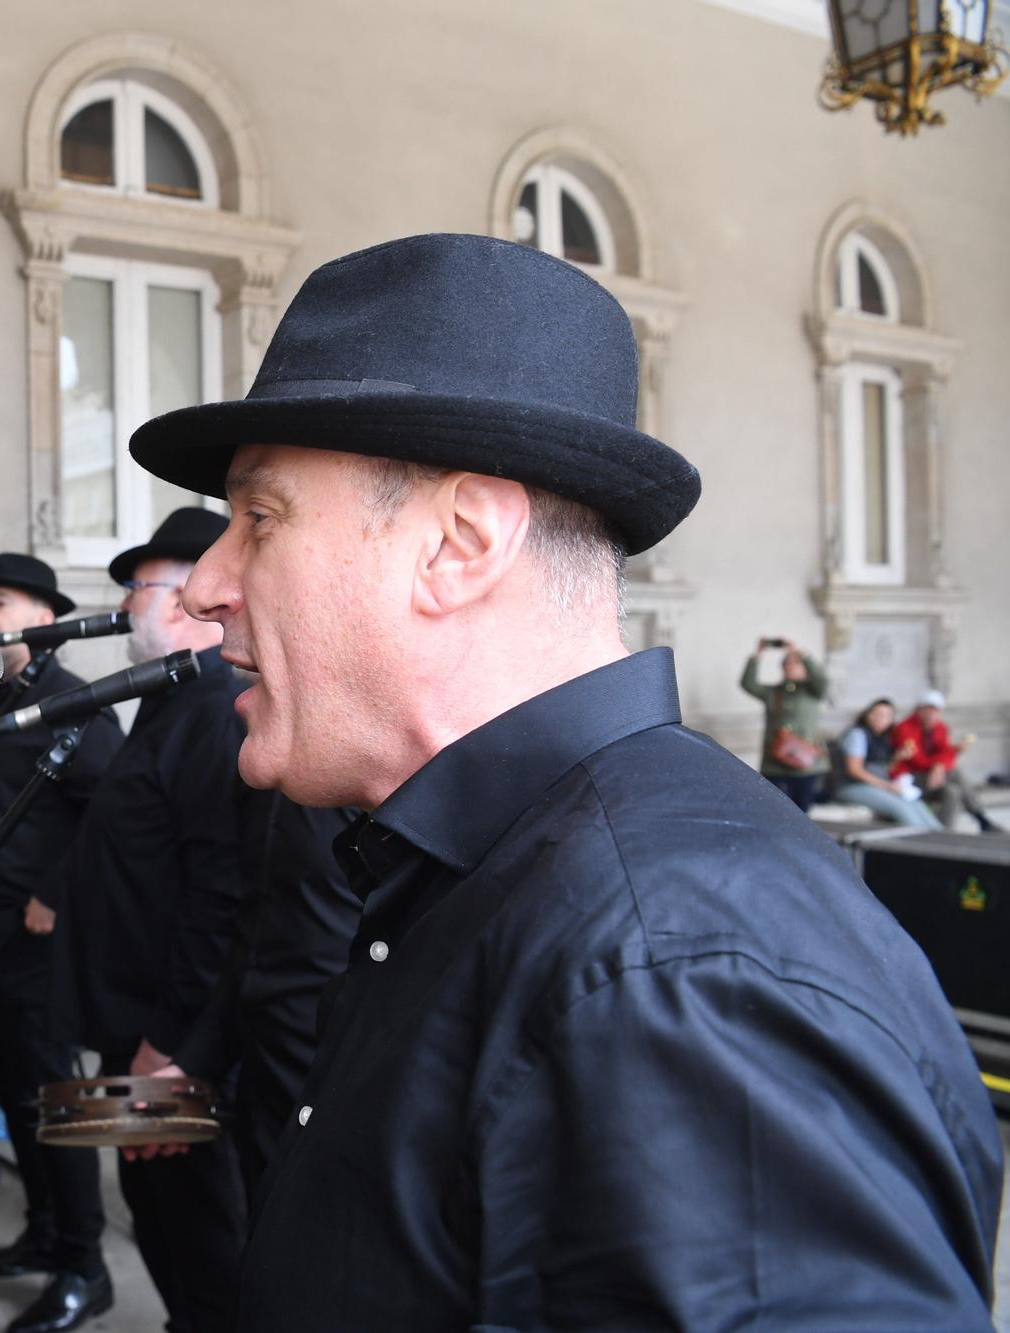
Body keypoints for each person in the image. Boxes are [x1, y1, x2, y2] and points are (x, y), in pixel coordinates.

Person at [127, 233, 1000, 1327]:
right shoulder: (484, 879)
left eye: (257, 519)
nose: (206, 584)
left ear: (455, 543)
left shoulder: (674, 973)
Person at [55, 508, 246, 1333]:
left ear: (187, 600)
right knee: (148, 1192)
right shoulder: (166, 703)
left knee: (192, 1216)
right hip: (132, 1022)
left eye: (138, 586)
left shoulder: (215, 710)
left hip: (166, 1041)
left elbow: (221, 897)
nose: (127, 603)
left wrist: (168, 1047)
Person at [0, 552, 122, 1333]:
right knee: (15, 1093)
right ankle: (46, 1230)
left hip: (38, 940)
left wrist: (53, 893)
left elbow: (112, 813)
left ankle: (85, 1268)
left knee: (60, 1104)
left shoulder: (79, 704)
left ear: (42, 618)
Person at [172, 794, 357, 1198]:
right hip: (261, 1071)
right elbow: (253, 940)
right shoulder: (262, 780)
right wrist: (194, 1062)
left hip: (336, 1082)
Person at [739, 637, 829, 811]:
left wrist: (800, 653)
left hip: (806, 763)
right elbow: (748, 684)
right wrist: (758, 655)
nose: (790, 667)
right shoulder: (774, 692)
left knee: (802, 813)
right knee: (774, 810)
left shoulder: (811, 691)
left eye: (795, 664)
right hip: (775, 763)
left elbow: (822, 681)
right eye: (786, 664)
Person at [892, 689, 999, 832]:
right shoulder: (905, 728)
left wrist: (941, 765)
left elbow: (946, 753)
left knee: (952, 791)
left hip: (931, 776)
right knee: (955, 773)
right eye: (927, 709)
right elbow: (916, 759)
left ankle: (944, 832)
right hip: (910, 778)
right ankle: (981, 818)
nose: (931, 714)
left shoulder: (940, 727)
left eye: (935, 710)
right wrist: (940, 765)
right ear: (918, 710)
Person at [831, 698, 943, 829]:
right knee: (901, 807)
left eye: (887, 716)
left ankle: (941, 837)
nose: (881, 719)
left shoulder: (883, 738)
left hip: (876, 786)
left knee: (915, 804)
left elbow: (881, 769)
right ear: (868, 714)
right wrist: (887, 786)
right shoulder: (858, 734)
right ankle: (924, 842)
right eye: (878, 714)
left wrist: (897, 758)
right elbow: (854, 770)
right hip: (851, 786)